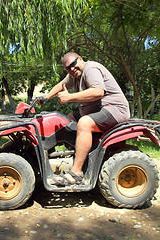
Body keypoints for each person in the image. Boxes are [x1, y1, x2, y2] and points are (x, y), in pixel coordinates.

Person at [44, 52, 130, 186]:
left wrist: (70, 98)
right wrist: (46, 98)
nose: (72, 69)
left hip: (115, 109)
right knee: (68, 119)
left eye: (73, 64)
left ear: (80, 59)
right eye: (68, 68)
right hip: (98, 110)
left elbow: (98, 92)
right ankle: (75, 155)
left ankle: (76, 172)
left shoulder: (91, 69)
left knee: (84, 123)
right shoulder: (74, 75)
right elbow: (61, 85)